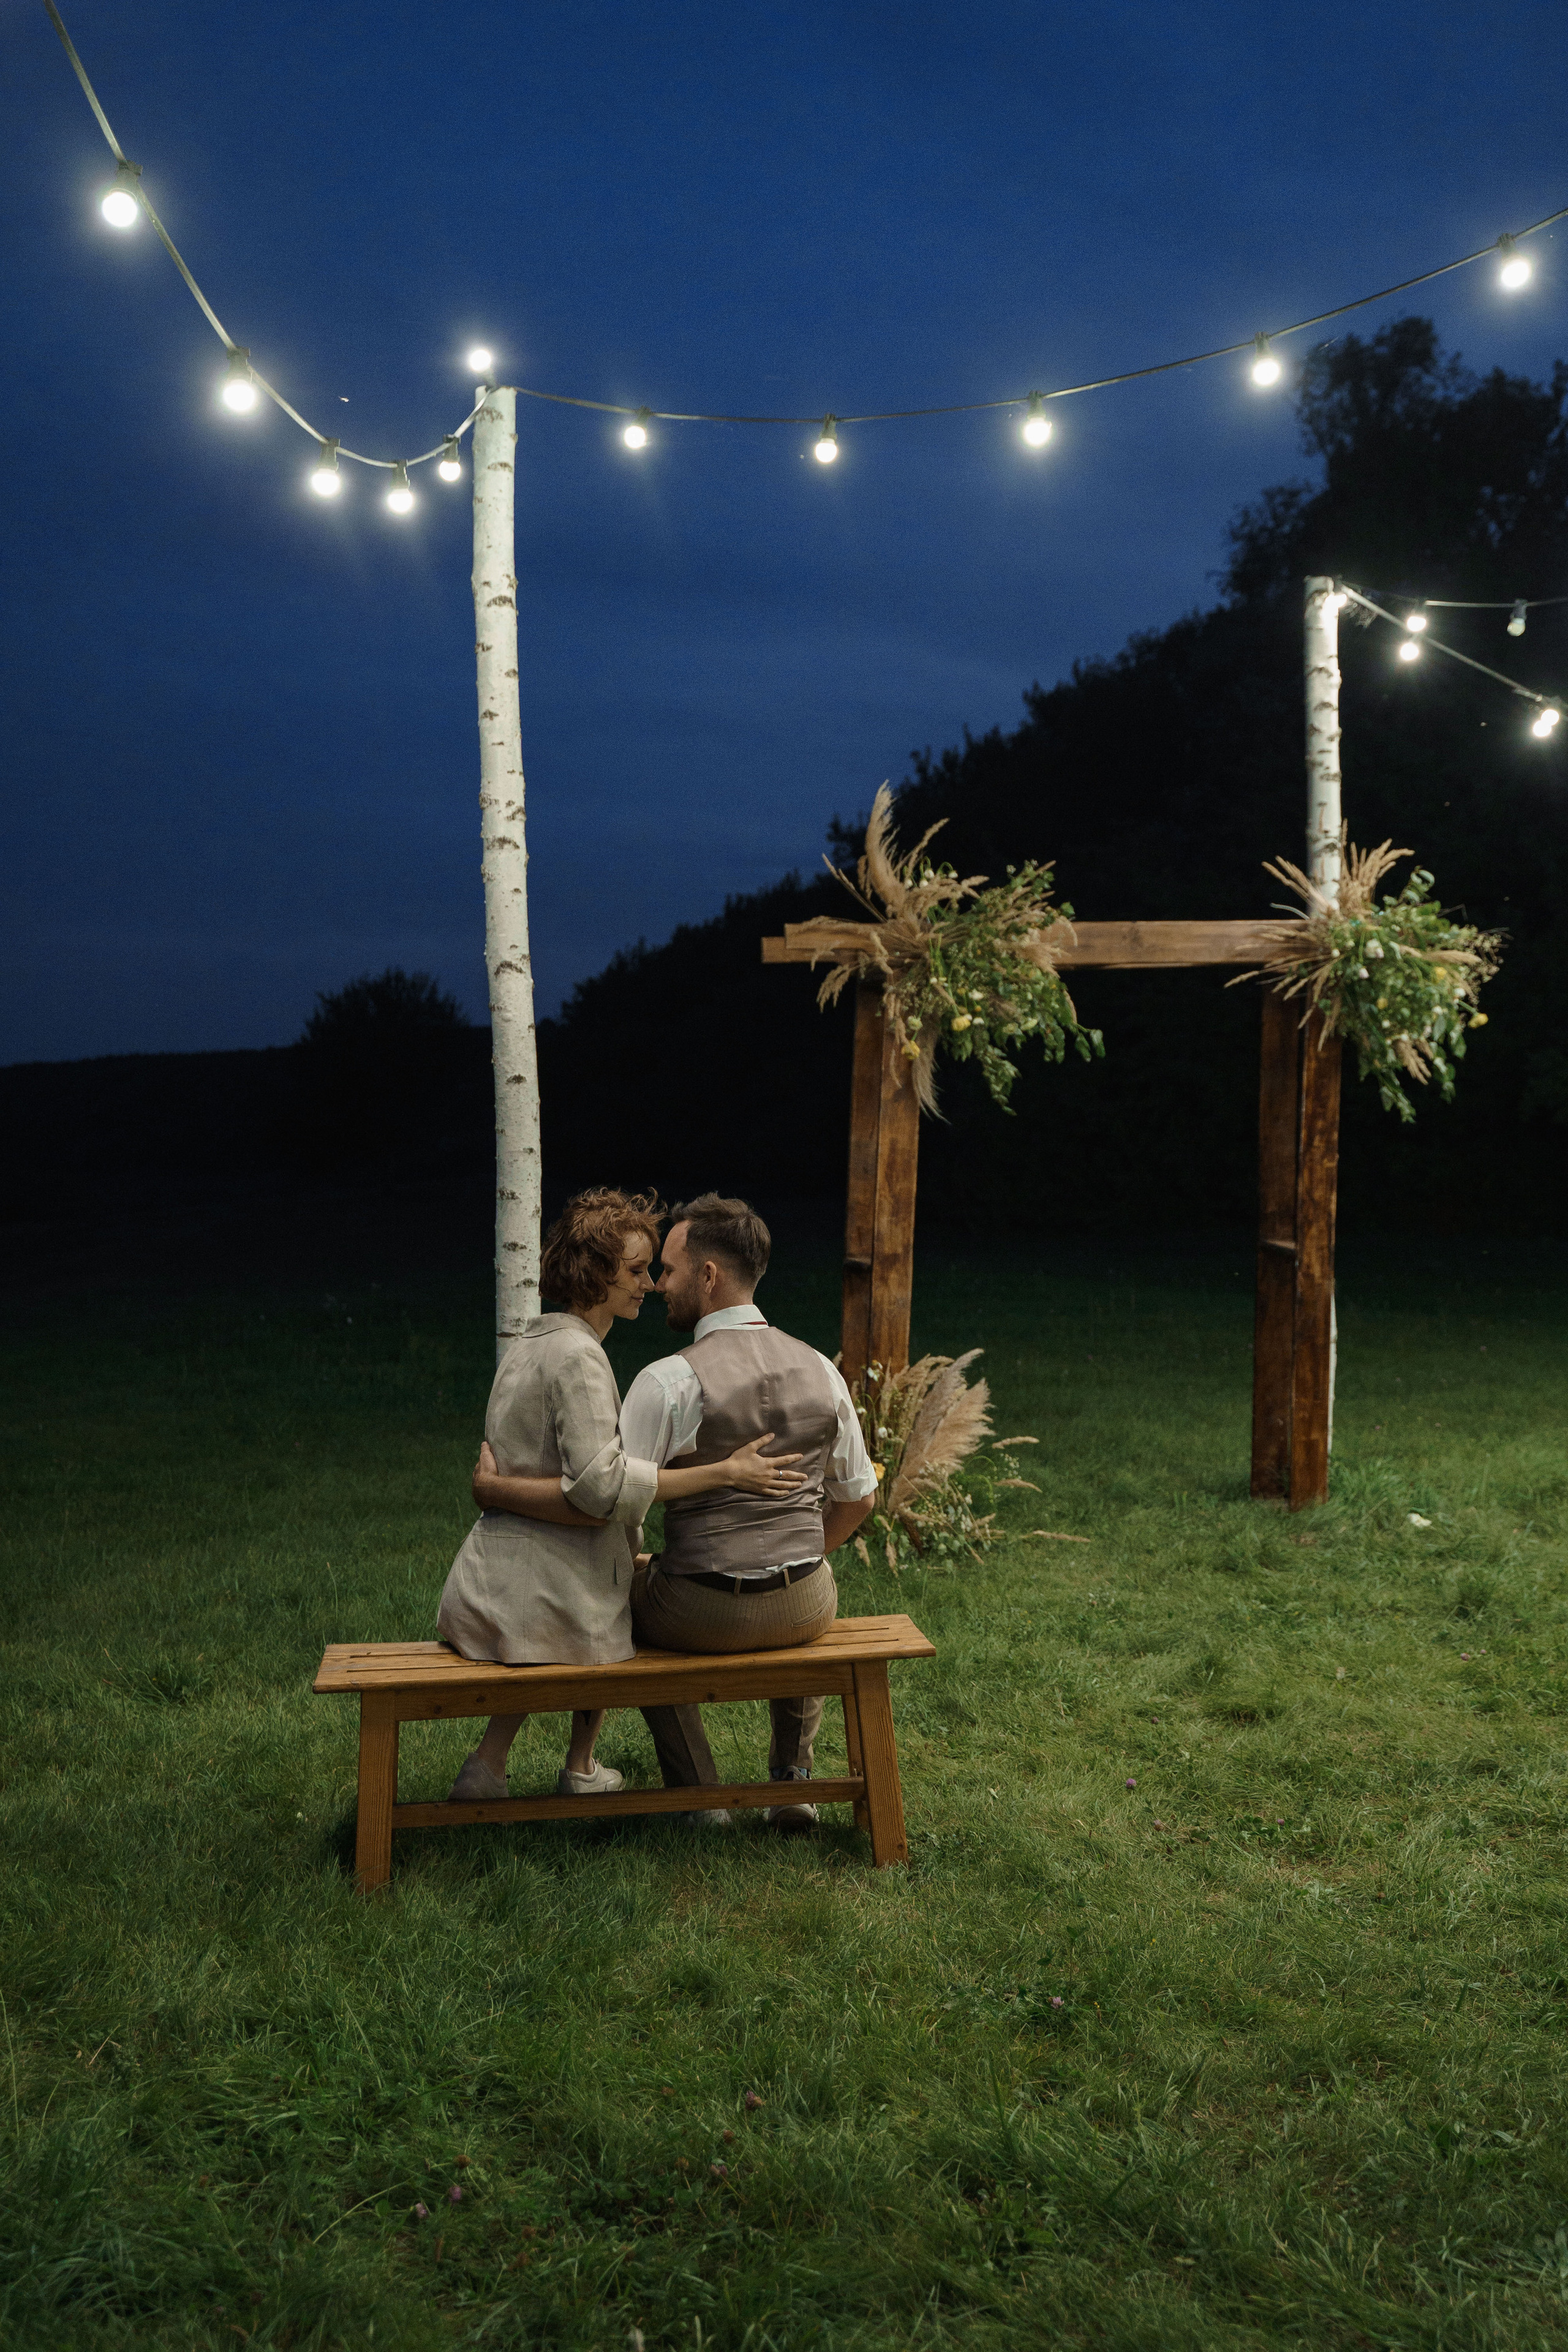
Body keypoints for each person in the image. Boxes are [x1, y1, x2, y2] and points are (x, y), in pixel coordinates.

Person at [438, 1187, 805, 1804]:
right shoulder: (579, 1359)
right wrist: (724, 1473)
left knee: (621, 1571)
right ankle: (585, 1772)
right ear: (594, 1274)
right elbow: (601, 1489)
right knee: (632, 1597)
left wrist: (496, 1490)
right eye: (636, 1272)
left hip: (497, 1578)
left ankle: (514, 1764)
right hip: (545, 1586)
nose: (651, 1285)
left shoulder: (531, 1343)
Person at [620, 1193, 877, 1831]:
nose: (661, 1287)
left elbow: (618, 1497)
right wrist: (802, 1554)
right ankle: (792, 1783)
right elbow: (860, 1496)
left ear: (709, 1277)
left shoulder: (667, 1380)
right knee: (803, 1594)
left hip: (697, 1612)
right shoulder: (821, 1369)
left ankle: (701, 1795)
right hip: (803, 1603)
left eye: (672, 1272)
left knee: (623, 1596)